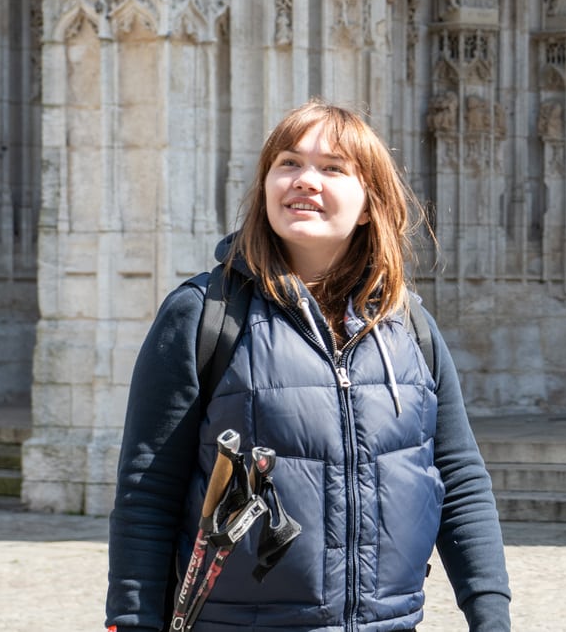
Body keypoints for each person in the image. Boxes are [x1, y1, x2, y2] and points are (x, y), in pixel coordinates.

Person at [106, 100, 510, 631]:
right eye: (288, 163)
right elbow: (147, 491)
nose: (305, 180)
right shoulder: (204, 315)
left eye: (333, 168)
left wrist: (491, 615)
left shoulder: (406, 323)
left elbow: (458, 481)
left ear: (369, 204)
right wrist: (131, 623)